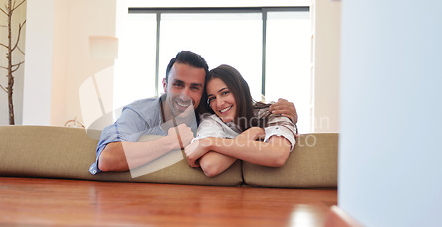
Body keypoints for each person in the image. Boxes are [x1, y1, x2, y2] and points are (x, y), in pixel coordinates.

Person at [89, 51, 297, 174]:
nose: (185, 95)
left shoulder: (208, 112)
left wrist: (289, 117)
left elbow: (249, 115)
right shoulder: (140, 112)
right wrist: (170, 143)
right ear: (164, 84)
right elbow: (107, 159)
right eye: (178, 84)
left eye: (195, 88)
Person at [184, 64, 297, 177]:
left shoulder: (273, 112)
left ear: (240, 90)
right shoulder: (211, 121)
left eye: (225, 93)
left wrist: (209, 143)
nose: (219, 104)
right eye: (212, 98)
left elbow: (277, 155)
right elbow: (211, 166)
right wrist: (252, 133)